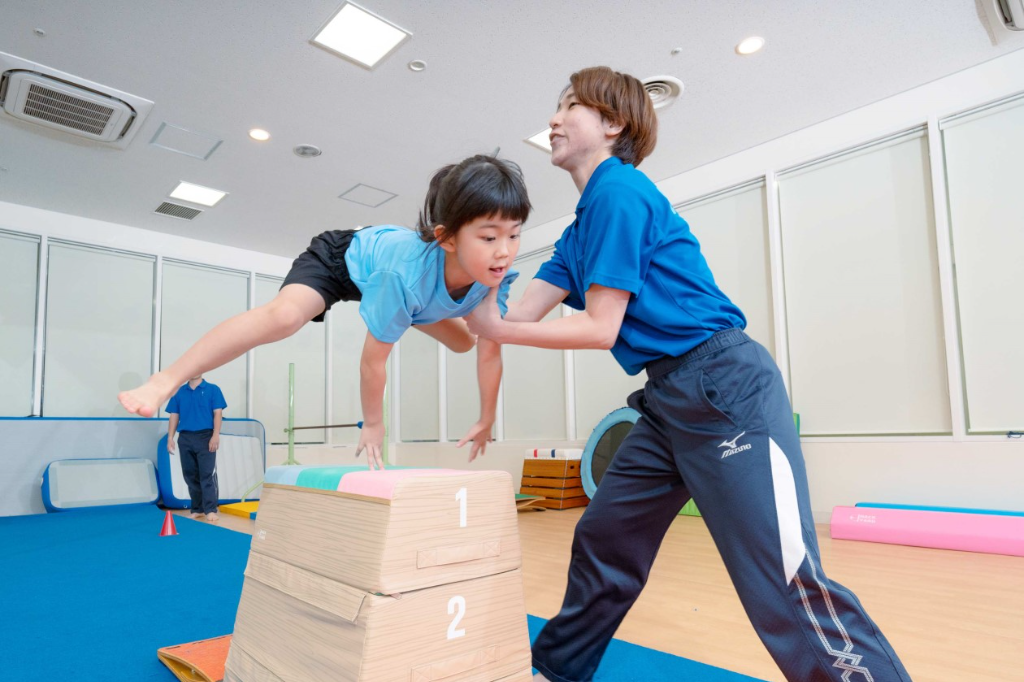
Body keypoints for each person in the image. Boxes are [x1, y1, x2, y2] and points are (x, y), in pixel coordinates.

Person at [468, 67, 911, 682]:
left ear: (613, 124)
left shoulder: (621, 192)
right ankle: (555, 670)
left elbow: (598, 327)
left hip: (723, 385)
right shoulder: (580, 229)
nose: (554, 118)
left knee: (780, 575)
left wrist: (497, 327)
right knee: (606, 538)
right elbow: (512, 316)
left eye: (570, 106)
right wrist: (470, 270)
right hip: (668, 399)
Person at [120, 155, 530, 468]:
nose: (505, 251)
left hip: (409, 293)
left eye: (514, 234)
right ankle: (166, 378)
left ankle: (407, 312)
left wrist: (486, 417)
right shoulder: (401, 275)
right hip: (342, 262)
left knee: (468, 340)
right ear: (448, 239)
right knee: (284, 318)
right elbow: (373, 364)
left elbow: (489, 349)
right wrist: (373, 424)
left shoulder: (496, 276)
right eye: (490, 237)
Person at [166, 373, 226, 521]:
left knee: (206, 475)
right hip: (185, 437)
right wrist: (170, 438)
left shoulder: (213, 389)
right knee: (190, 475)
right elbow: (174, 415)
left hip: (206, 436)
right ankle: (197, 508)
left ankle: (210, 509)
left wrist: (215, 435)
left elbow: (217, 414)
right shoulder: (179, 391)